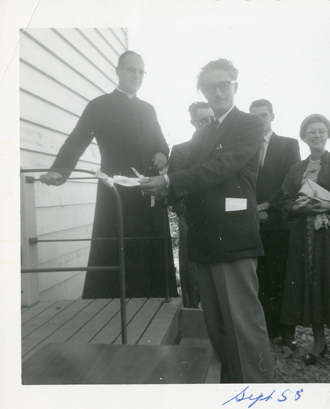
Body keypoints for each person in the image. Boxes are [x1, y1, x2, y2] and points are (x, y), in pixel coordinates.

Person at [140, 59, 274, 383]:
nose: (217, 92)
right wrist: (152, 183)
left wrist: (170, 182)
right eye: (209, 87)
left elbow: (221, 167)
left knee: (243, 324)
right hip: (203, 239)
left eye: (223, 85)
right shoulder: (202, 133)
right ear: (202, 92)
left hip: (233, 236)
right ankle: (230, 386)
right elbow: (184, 176)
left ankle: (258, 392)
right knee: (215, 324)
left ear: (235, 86)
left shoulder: (249, 124)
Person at [40, 50, 178, 299]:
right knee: (116, 250)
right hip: (115, 191)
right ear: (118, 71)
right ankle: (110, 308)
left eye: (140, 71)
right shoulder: (100, 105)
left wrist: (161, 154)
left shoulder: (148, 109)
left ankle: (155, 303)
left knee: (150, 249)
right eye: (131, 70)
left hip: (147, 191)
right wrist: (60, 171)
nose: (136, 75)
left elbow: (162, 143)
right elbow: (78, 139)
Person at [280, 114, 330, 376]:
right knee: (309, 286)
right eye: (311, 132)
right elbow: (285, 200)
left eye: (322, 131)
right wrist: (298, 206)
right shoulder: (296, 169)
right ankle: (319, 342)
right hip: (304, 239)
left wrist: (329, 205)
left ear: (328, 134)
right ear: (303, 137)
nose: (317, 135)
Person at [249, 99, 300, 350]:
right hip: (250, 221)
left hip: (277, 219)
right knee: (257, 278)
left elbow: (291, 181)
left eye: (264, 115)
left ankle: (286, 331)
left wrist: (267, 205)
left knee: (281, 277)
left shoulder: (288, 145)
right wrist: (252, 209)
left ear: (272, 116)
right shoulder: (245, 145)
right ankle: (265, 331)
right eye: (255, 116)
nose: (260, 120)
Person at [168, 102, 214, 308]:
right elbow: (176, 185)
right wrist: (184, 212)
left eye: (210, 119)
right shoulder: (180, 150)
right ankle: (192, 307)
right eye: (201, 120)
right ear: (193, 122)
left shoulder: (223, 147)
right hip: (190, 215)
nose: (206, 124)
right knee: (190, 263)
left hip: (217, 213)